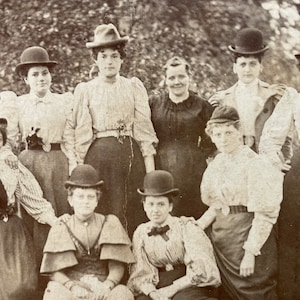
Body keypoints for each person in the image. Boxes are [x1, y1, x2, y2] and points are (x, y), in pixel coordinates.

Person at [65, 23, 158, 235]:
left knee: (131, 209)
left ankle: (134, 263)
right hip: (99, 158)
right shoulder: (86, 90)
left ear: (122, 59)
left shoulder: (133, 86)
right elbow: (78, 134)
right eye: (104, 56)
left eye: (114, 56)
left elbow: (144, 132)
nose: (109, 61)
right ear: (96, 59)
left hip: (129, 158)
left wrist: (150, 174)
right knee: (103, 211)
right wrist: (78, 169)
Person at [198, 105, 283, 300]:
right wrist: (198, 226)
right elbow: (216, 205)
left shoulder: (255, 164)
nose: (223, 139)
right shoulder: (216, 164)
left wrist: (250, 253)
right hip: (221, 241)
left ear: (239, 132)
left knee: (255, 291)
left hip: (247, 238)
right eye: (217, 134)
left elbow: (265, 215)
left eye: (228, 132)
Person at [12, 46, 74, 272]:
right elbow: (9, 141)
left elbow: (70, 139)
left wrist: (74, 166)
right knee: (33, 215)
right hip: (29, 165)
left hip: (58, 163)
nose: (41, 79)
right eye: (35, 74)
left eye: (44, 73)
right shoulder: (18, 104)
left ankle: (63, 269)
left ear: (51, 76)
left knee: (60, 212)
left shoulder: (63, 102)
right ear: (26, 79)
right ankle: (37, 272)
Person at [40, 164, 135, 300]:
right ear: (70, 200)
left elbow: (117, 265)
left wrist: (108, 285)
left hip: (103, 287)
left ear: (97, 200)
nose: (85, 202)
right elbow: (54, 271)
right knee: (54, 291)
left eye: (90, 197)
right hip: (73, 288)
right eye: (80, 196)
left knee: (123, 294)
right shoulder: (61, 227)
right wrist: (72, 286)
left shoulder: (109, 223)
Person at [127, 170, 221, 300]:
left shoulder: (185, 227)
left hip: (188, 283)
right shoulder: (141, 232)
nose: (155, 210)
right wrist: (153, 293)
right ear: (144, 206)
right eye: (151, 204)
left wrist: (171, 289)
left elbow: (201, 267)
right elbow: (140, 271)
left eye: (161, 204)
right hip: (157, 284)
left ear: (170, 206)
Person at [208, 27, 292, 162]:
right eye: (242, 65)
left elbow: (285, 134)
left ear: (261, 67)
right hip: (235, 160)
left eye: (253, 64)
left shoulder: (273, 96)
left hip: (265, 160)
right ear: (235, 68)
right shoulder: (222, 99)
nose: (247, 70)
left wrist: (284, 160)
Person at [149, 57, 214, 218]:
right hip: (161, 167)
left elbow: (212, 138)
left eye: (181, 76)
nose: (176, 82)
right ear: (165, 80)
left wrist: (198, 156)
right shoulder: (154, 104)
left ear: (188, 77)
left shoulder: (202, 105)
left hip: (193, 171)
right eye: (171, 78)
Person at [0, 125, 60, 300]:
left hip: (8, 232)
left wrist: (55, 221)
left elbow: (30, 197)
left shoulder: (9, 165)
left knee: (17, 287)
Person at [259, 54, 300, 300]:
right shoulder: (294, 99)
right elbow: (270, 138)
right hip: (299, 173)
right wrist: (280, 166)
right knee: (291, 239)